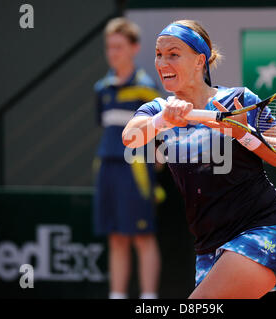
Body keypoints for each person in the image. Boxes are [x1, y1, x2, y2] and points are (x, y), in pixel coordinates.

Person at [122, 20, 276, 299]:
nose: (162, 61)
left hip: (260, 230)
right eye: (158, 53)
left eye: (173, 54)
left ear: (199, 61)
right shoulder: (157, 108)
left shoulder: (240, 100)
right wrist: (162, 120)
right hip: (209, 247)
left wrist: (244, 134)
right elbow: (130, 137)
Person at [93, 17, 162, 300]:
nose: (113, 53)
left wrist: (158, 160)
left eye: (119, 47)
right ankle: (117, 295)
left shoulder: (147, 88)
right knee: (116, 237)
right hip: (107, 166)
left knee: (142, 237)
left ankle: (148, 298)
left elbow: (159, 135)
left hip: (137, 171)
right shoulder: (101, 89)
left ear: (134, 48)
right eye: (110, 47)